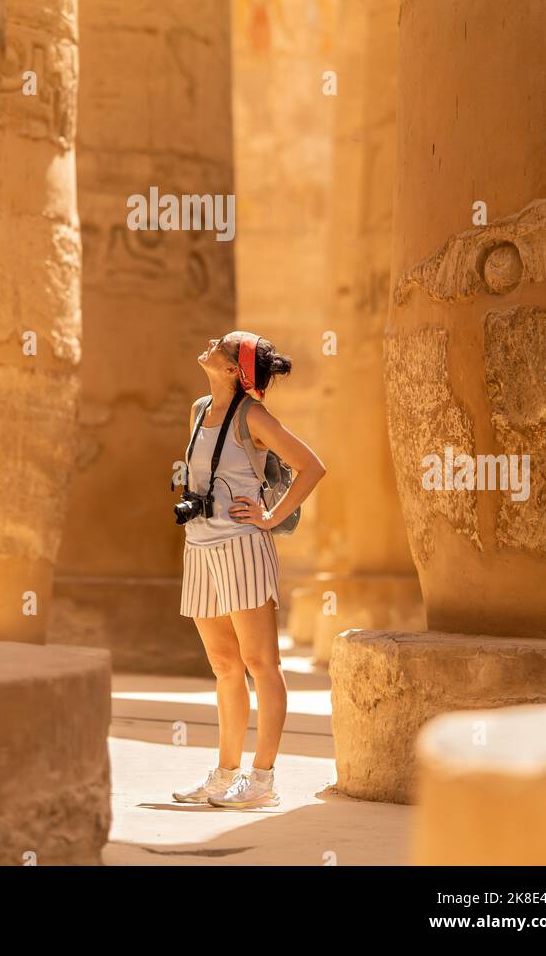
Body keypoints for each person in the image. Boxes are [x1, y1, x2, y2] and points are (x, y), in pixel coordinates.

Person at [172, 331, 326, 809]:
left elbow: (312, 466)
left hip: (242, 546)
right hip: (198, 547)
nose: (210, 342)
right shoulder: (199, 409)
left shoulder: (253, 415)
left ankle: (262, 781)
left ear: (234, 369)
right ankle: (224, 774)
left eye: (221, 343)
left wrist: (270, 517)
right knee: (223, 666)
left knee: (262, 664)